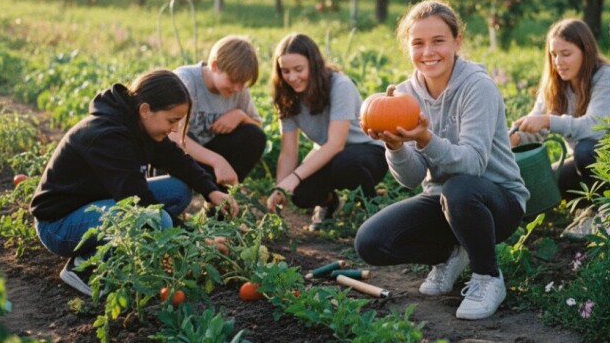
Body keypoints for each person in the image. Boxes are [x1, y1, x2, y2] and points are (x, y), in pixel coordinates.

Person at [354, 0, 529, 320]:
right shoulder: (406, 95)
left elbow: (474, 164)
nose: (428, 52)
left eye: (438, 41)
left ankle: (487, 277)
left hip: (497, 201)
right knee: (371, 243)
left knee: (460, 189)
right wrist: (395, 147)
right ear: (408, 47)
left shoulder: (478, 87)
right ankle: (451, 253)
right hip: (443, 200)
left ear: (457, 42)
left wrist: (425, 138)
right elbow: (410, 179)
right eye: (418, 43)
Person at [30, 69, 239, 297]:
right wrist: (194, 239)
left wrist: (211, 191)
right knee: (158, 220)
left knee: (178, 190)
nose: (176, 129)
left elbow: (176, 159)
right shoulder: (108, 136)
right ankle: (85, 266)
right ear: (145, 110)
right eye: (172, 120)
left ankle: (113, 248)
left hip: (96, 204)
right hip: (59, 225)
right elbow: (137, 203)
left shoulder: (140, 124)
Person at [265, 33, 387, 231]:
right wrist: (281, 187)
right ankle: (329, 202)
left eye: (298, 69)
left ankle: (372, 212)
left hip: (367, 152)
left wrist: (294, 177)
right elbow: (288, 151)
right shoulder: (286, 96)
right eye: (285, 71)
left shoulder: (340, 85)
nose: (292, 77)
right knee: (300, 194)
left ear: (313, 64)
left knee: (345, 164)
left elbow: (336, 144)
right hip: (329, 155)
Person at [509, 18, 610, 240]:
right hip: (580, 166)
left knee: (586, 150)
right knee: (544, 182)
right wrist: (517, 137)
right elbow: (535, 123)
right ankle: (586, 209)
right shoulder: (554, 84)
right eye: (553, 54)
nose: (558, 61)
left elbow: (596, 128)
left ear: (585, 52)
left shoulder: (605, 76)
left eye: (566, 54)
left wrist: (550, 121)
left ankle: (606, 211)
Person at [173, 35, 267, 190]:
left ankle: (220, 201)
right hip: (179, 155)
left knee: (254, 136)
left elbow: (257, 128)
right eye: (233, 80)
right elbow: (173, 138)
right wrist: (217, 161)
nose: (237, 88)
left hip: (208, 154)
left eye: (242, 83)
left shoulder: (239, 90)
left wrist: (240, 116)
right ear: (215, 66)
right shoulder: (185, 81)